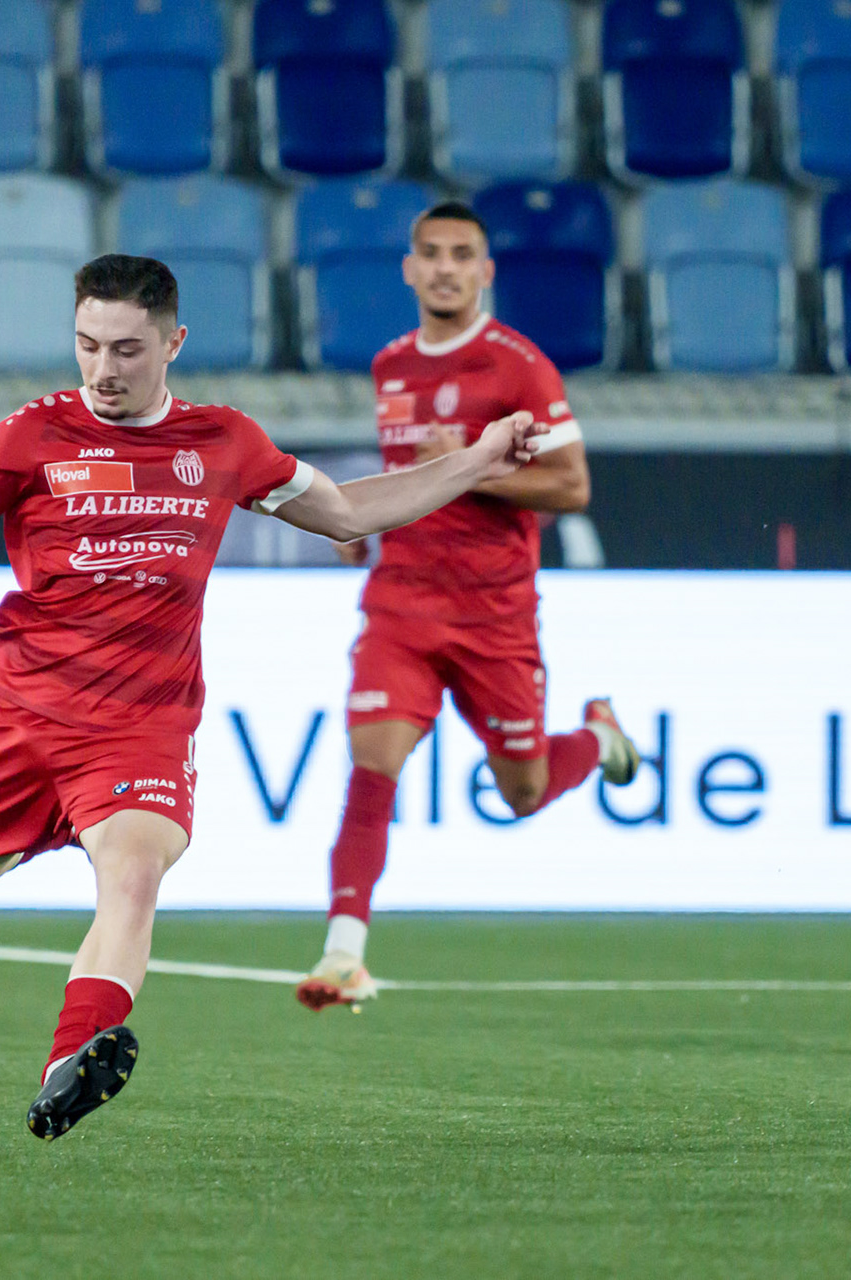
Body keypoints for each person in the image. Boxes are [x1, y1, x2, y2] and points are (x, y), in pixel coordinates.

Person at [0, 254, 551, 1139]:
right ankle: (44, 829)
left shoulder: (225, 443)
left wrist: (480, 459)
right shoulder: (31, 437)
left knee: (134, 874)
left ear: (173, 343)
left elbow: (347, 513)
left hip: (143, 726)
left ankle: (66, 1066)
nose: (103, 370)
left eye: (126, 349)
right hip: (22, 716)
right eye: (86, 346)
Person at [294, 203, 641, 1013]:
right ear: (409, 270)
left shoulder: (520, 367)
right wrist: (357, 525)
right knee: (372, 765)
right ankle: (343, 953)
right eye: (431, 255)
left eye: (463, 255)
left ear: (486, 272)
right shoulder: (390, 367)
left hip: (495, 613)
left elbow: (572, 486)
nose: (446, 268)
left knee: (520, 792)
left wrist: (472, 466)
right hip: (402, 605)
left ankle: (597, 737)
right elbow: (407, 477)